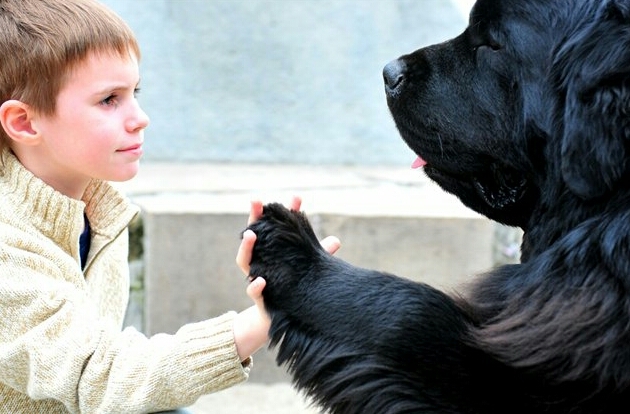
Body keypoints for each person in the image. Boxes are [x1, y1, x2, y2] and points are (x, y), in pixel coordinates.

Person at [0, 0, 339, 413]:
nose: (140, 117)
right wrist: (269, 316)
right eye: (109, 99)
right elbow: (101, 376)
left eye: (134, 92)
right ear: (23, 122)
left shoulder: (99, 208)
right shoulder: (8, 245)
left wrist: (274, 281)